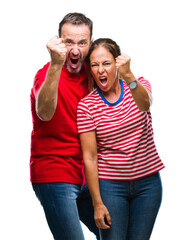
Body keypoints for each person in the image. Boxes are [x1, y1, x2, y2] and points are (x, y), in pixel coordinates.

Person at [77, 38, 165, 240]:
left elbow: (145, 104)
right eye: (94, 65)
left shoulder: (138, 85)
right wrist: (97, 203)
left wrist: (129, 76)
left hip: (148, 185)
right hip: (110, 187)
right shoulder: (87, 106)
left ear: (117, 64)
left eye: (106, 63)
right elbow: (89, 157)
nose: (100, 70)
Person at [30, 12, 100, 240]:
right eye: (69, 41)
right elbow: (44, 112)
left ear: (90, 44)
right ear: (59, 41)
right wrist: (55, 64)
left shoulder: (94, 75)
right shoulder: (47, 74)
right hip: (55, 173)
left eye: (82, 42)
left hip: (88, 176)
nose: (75, 49)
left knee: (116, 232)